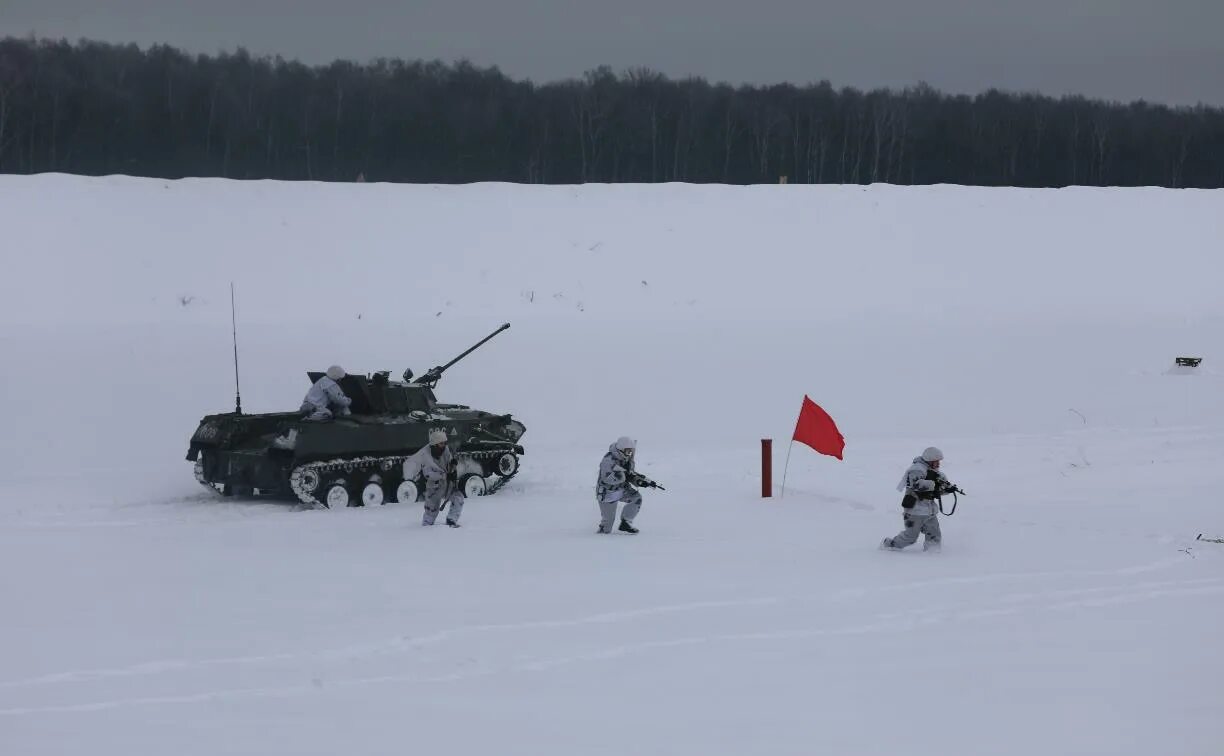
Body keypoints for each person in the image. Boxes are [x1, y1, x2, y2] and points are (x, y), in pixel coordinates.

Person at [880, 446, 957, 552]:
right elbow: (917, 485)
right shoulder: (916, 469)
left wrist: (947, 489)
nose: (938, 463)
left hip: (929, 510)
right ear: (930, 460)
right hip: (915, 511)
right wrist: (937, 484)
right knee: (910, 537)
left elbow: (935, 491)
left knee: (934, 533)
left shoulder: (934, 471)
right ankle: (890, 545)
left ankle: (932, 550)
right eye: (936, 461)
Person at [403, 429, 465, 527]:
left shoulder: (445, 450)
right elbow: (428, 474)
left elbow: (448, 465)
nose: (444, 445)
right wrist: (445, 475)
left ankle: (451, 520)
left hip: (447, 483)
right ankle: (427, 527)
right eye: (441, 444)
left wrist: (452, 466)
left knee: (458, 498)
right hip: (434, 486)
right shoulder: (424, 455)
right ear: (435, 444)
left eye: (445, 443)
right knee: (431, 509)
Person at [595, 436, 643, 534]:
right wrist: (624, 476)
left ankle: (626, 522)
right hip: (607, 493)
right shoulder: (608, 460)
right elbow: (607, 479)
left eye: (632, 451)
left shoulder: (627, 460)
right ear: (621, 450)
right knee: (607, 525)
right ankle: (600, 539)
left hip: (621, 489)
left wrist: (638, 480)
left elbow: (629, 473)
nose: (630, 454)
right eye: (628, 451)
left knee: (636, 498)